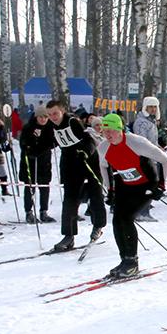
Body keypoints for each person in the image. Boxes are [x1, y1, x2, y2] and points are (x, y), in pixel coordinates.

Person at [97, 113, 167, 278]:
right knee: (117, 220)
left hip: (146, 185)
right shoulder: (103, 147)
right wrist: (109, 190)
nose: (108, 135)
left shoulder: (136, 142)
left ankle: (132, 261)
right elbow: (103, 167)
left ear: (120, 130)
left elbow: (164, 160)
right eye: (105, 131)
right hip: (124, 185)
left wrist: (161, 186)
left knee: (127, 218)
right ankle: (124, 260)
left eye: (111, 131)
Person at [44, 100, 106, 251]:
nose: (53, 117)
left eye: (56, 113)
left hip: (88, 162)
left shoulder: (73, 122)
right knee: (70, 200)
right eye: (50, 114)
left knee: (95, 194)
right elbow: (48, 143)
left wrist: (84, 152)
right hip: (69, 164)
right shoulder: (51, 126)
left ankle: (98, 226)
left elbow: (88, 141)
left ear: (62, 111)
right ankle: (68, 235)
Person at [18, 105, 56, 223]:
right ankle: (29, 212)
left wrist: (44, 146)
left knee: (44, 187)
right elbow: (23, 143)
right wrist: (31, 143)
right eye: (41, 117)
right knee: (30, 186)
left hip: (44, 162)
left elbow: (52, 143)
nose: (43, 119)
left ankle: (43, 211)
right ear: (36, 117)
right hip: (30, 161)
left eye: (45, 117)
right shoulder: (29, 127)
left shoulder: (50, 128)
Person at [132, 96, 161, 221]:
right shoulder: (141, 122)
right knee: (146, 185)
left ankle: (145, 210)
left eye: (155, 107)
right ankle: (141, 212)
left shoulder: (152, 122)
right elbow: (142, 140)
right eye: (151, 107)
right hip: (144, 157)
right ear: (145, 107)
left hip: (152, 156)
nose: (153, 109)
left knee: (151, 184)